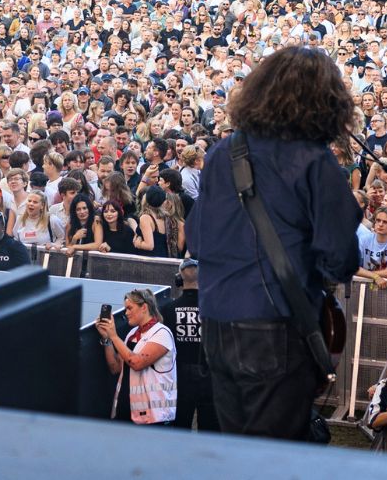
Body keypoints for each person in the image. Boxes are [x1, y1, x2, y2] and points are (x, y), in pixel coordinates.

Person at [189, 44, 361, 440]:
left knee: (238, 453)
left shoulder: (223, 153)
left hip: (215, 322)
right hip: (276, 325)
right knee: (273, 458)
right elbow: (340, 258)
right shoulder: (313, 161)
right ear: (325, 101)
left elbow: (195, 240)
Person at [97, 289, 178, 426]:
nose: (126, 313)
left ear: (144, 307)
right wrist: (107, 339)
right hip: (126, 411)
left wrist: (114, 336)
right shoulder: (132, 334)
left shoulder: (162, 334)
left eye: (129, 308)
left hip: (153, 417)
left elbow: (137, 363)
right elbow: (115, 367)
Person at [164, 258, 213, 431]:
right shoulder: (213, 308)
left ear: (179, 279)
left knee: (180, 427)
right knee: (210, 429)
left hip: (180, 376)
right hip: (209, 375)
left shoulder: (168, 309)